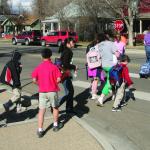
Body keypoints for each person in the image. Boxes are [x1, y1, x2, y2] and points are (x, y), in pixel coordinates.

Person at [32, 48, 63, 138]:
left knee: (41, 110)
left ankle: (40, 130)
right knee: (55, 108)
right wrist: (54, 83)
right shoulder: (54, 67)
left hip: (42, 92)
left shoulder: (39, 67)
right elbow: (59, 79)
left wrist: (40, 84)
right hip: (52, 91)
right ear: (50, 56)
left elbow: (34, 80)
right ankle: (56, 125)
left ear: (42, 56)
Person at [96, 33, 119, 106]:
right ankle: (101, 98)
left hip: (103, 65)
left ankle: (114, 94)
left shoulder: (99, 45)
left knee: (112, 80)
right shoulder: (111, 43)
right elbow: (117, 54)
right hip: (111, 65)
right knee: (109, 82)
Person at [58, 37, 77, 114]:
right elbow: (65, 64)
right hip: (64, 74)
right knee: (69, 92)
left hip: (65, 73)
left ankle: (69, 109)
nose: (74, 43)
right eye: (73, 42)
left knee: (69, 92)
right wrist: (74, 67)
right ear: (68, 43)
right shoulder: (67, 51)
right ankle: (56, 106)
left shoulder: (66, 50)